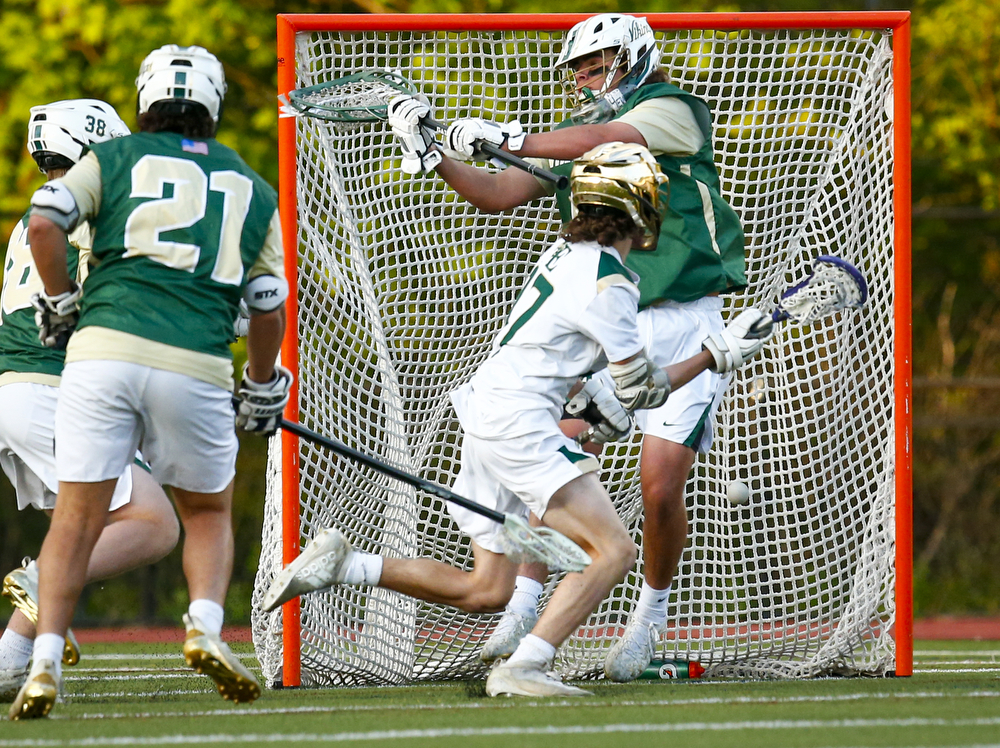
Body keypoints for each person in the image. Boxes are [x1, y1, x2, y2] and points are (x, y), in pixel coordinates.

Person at [261, 142, 769, 697]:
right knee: (614, 550)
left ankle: (346, 565)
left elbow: (568, 361)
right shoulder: (610, 281)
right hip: (518, 422)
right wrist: (715, 354)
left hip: (488, 412)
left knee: (487, 588)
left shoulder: (565, 256)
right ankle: (526, 666)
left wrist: (593, 400)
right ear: (641, 205)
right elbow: (643, 388)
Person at [386, 13, 748, 682]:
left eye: (598, 62)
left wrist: (512, 135)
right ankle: (523, 605)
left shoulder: (670, 110)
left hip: (685, 313)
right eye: (580, 68)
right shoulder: (578, 151)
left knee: (660, 484)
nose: (586, 77)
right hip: (608, 318)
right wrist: (435, 150)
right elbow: (496, 193)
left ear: (635, 56)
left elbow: (608, 137)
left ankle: (648, 619)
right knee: (550, 460)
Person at [8, 44, 291, 720]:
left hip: (84, 361)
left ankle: (36, 655)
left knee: (77, 520)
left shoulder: (101, 171)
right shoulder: (249, 181)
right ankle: (202, 622)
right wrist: (256, 382)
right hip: (171, 360)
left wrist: (61, 306)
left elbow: (50, 228)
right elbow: (267, 299)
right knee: (195, 514)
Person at [0, 100, 181, 704]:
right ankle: (36, 581)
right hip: (46, 390)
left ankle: (11, 657)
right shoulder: (89, 211)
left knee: (82, 529)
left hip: (19, 390)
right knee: (153, 525)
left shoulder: (40, 213)